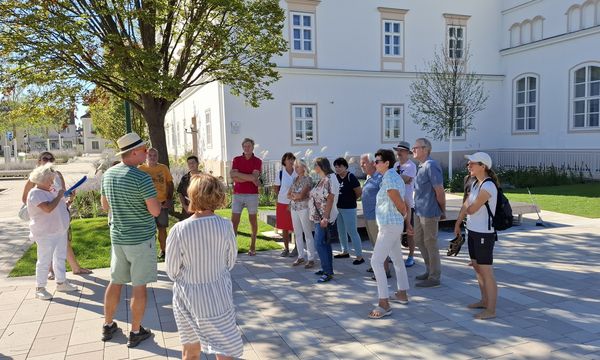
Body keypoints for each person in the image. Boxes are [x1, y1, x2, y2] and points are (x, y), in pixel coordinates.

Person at [166, 174, 243, 360]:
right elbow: (230, 261)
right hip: (218, 295)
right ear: (218, 195)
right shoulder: (225, 226)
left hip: (189, 298)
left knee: (190, 351)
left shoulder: (179, 230)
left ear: (192, 195)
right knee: (225, 350)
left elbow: (172, 270)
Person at [100, 132, 161, 348]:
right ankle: (135, 331)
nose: (147, 154)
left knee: (115, 282)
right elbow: (154, 211)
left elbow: (104, 207)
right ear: (134, 152)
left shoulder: (108, 174)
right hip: (141, 240)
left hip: (118, 238)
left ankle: (108, 325)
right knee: (139, 286)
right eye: (144, 150)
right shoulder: (141, 177)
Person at [22, 151, 92, 277]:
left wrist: (70, 198)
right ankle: (50, 272)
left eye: (51, 158)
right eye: (45, 158)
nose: (48, 160)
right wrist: (43, 205)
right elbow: (25, 199)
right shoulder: (35, 177)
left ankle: (73, 268)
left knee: (64, 241)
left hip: (60, 213)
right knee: (46, 246)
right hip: (44, 217)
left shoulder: (57, 175)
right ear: (39, 160)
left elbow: (63, 194)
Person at [454, 152, 498, 320]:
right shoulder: (475, 184)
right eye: (468, 163)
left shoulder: (488, 187)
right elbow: (466, 205)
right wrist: (458, 222)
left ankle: (491, 310)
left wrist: (468, 207)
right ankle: (484, 300)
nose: (469, 166)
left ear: (483, 166)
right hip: (472, 231)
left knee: (486, 272)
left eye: (472, 163)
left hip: (484, 234)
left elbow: (471, 209)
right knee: (477, 267)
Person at [368, 149, 411, 319]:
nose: (375, 163)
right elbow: (402, 201)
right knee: (397, 259)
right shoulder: (391, 176)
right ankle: (402, 293)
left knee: (376, 261)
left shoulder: (390, 177)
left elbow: (400, 202)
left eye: (378, 160)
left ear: (387, 163)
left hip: (389, 226)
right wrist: (404, 220)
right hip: (392, 224)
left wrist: (404, 215)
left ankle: (384, 303)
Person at [27, 164, 78, 300]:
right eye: (50, 180)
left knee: (60, 257)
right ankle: (40, 288)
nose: (52, 182)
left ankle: (61, 282)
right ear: (41, 180)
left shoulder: (52, 190)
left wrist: (70, 198)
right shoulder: (35, 193)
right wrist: (60, 194)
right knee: (44, 260)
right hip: (45, 233)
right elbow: (48, 208)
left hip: (59, 229)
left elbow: (62, 205)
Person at [412, 138, 446, 288]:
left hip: (429, 211)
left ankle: (434, 276)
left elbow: (439, 190)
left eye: (416, 147)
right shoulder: (421, 166)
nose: (413, 150)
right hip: (419, 210)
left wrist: (442, 210)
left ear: (425, 149)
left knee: (430, 243)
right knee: (419, 240)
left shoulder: (431, 166)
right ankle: (429, 270)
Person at [308, 157, 340, 283]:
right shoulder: (324, 179)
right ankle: (326, 268)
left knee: (319, 243)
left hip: (323, 218)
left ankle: (327, 272)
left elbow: (330, 199)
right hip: (319, 218)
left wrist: (325, 217)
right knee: (325, 243)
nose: (313, 167)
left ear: (321, 166)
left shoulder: (329, 179)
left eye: (315, 164)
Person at [139, 148, 174, 259]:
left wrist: (168, 199)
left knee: (162, 228)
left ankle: (164, 250)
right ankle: (149, 252)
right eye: (150, 155)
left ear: (157, 157)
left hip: (162, 203)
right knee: (147, 229)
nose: (152, 157)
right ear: (146, 156)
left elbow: (170, 184)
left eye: (155, 155)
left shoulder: (163, 168)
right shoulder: (141, 169)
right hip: (146, 205)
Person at [359, 153, 390, 278]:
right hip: (369, 216)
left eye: (364, 162)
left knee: (380, 245)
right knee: (375, 244)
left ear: (373, 163)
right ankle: (378, 267)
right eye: (361, 163)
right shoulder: (369, 177)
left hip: (377, 217)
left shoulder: (379, 177)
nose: (362, 165)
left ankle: (385, 271)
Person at [230, 138, 262, 256]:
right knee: (234, 222)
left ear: (253, 147)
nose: (247, 148)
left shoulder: (257, 161)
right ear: (242, 147)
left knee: (253, 221)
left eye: (249, 146)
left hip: (252, 195)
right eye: (245, 146)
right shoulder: (236, 159)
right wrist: (250, 178)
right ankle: (233, 247)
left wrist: (239, 175)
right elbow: (233, 176)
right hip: (237, 194)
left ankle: (253, 245)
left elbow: (254, 177)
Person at [333, 157, 364, 265]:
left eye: (339, 166)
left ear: (345, 166)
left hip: (349, 208)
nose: (337, 168)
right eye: (336, 167)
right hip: (338, 208)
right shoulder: (335, 177)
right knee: (341, 231)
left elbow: (359, 192)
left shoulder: (351, 177)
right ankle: (344, 251)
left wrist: (351, 199)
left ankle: (359, 256)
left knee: (352, 232)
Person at [287, 159, 316, 268]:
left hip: (304, 209)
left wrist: (296, 196)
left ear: (304, 167)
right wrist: (296, 195)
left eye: (298, 166)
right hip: (294, 208)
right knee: (297, 233)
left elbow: (302, 195)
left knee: (307, 233)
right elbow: (288, 194)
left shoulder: (308, 179)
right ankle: (300, 256)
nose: (295, 168)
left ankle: (311, 258)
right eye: (295, 166)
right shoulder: (295, 179)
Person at [393, 141, 417, 267]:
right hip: (396, 203)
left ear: (408, 153)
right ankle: (396, 254)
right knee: (395, 231)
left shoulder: (411, 166)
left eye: (402, 150)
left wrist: (393, 176)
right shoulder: (396, 164)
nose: (399, 153)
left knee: (409, 231)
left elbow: (406, 179)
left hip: (408, 204)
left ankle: (411, 256)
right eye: (398, 150)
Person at [274, 152, 297, 257]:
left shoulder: (297, 172)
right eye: (289, 159)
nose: (291, 161)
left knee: (297, 226)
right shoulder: (280, 173)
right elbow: (276, 188)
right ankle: (286, 248)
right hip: (283, 203)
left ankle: (297, 248)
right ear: (284, 161)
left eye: (292, 159)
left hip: (296, 203)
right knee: (284, 227)